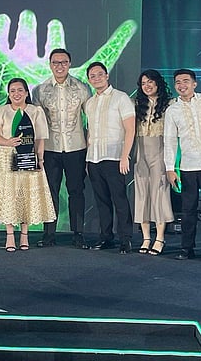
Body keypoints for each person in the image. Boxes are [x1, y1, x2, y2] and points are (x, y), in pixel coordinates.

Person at [0, 78, 56, 252]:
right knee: (9, 195)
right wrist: (7, 142)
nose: (16, 94)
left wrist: (40, 159)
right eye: (13, 90)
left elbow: (40, 138)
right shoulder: (0, 111)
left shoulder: (35, 111)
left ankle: (24, 235)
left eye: (20, 90)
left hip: (28, 158)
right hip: (6, 158)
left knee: (25, 195)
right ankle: (9, 235)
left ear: (26, 93)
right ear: (8, 94)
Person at [32, 48, 91, 249]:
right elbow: (38, 124)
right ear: (50, 65)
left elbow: (91, 119)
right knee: (50, 192)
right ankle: (48, 234)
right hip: (50, 149)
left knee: (77, 191)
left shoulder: (82, 88)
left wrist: (90, 146)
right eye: (55, 62)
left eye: (64, 62)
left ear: (69, 64)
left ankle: (78, 234)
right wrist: (38, 153)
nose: (60, 66)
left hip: (76, 147)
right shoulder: (40, 90)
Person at [163, 69, 201, 261]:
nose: (182, 85)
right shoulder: (172, 110)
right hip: (188, 166)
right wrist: (170, 168)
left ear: (194, 84)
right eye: (178, 82)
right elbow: (170, 140)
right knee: (188, 211)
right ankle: (187, 248)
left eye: (186, 81)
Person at [85, 62, 135, 254]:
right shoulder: (90, 103)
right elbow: (90, 132)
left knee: (119, 199)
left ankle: (126, 239)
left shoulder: (121, 98)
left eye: (100, 74)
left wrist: (125, 156)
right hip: (94, 158)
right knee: (101, 201)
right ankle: (106, 237)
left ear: (107, 76)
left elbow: (130, 129)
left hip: (114, 157)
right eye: (92, 76)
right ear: (89, 80)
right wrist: (88, 159)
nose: (96, 78)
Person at [134, 69, 175, 256]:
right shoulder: (136, 104)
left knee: (159, 194)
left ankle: (159, 238)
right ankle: (145, 238)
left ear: (158, 83)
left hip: (161, 151)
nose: (147, 86)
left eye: (150, 82)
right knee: (142, 194)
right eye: (143, 83)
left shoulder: (170, 104)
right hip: (141, 152)